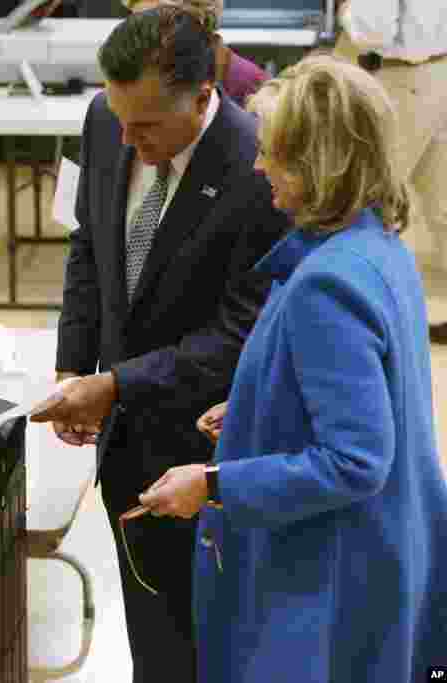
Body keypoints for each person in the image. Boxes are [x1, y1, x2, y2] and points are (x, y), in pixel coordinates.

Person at [137, 56, 447, 683]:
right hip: (388, 549)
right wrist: (253, 407)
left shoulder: (324, 286)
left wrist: (214, 483)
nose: (257, 166)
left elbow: (356, 460)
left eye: (272, 153)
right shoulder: (378, 250)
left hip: (329, 584)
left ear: (320, 164)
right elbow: (361, 391)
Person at [30, 7, 290, 681]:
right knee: (152, 639)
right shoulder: (103, 120)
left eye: (145, 125)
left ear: (203, 97)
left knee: (203, 640)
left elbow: (238, 332)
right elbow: (88, 247)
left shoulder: (257, 167)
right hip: (123, 445)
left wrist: (116, 383)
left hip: (202, 456)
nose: (126, 137)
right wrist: (72, 367)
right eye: (119, 119)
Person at [333, 0, 447, 343]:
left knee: (371, 201)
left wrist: (345, 9)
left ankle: (364, 318)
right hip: (437, 71)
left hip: (398, 81)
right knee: (442, 202)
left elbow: (371, 28)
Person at [125, 0, 268, 107]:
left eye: (148, 27)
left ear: (195, 21)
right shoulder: (130, 83)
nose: (137, 40)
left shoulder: (255, 90)